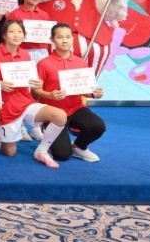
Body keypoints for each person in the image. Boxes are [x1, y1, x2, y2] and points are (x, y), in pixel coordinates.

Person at [0, 19, 68, 169]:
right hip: (4, 106)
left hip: (25, 102)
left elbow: (28, 81)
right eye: (11, 32)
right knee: (10, 152)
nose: (16, 35)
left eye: (20, 32)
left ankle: (41, 151)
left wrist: (36, 83)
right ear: (4, 35)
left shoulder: (25, 55)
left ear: (24, 35)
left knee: (60, 116)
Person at [34, 23, 106, 162]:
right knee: (62, 155)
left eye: (68, 37)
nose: (65, 40)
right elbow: (36, 91)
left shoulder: (81, 62)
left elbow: (85, 90)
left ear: (72, 39)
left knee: (98, 126)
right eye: (60, 37)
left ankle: (79, 147)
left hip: (75, 108)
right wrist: (50, 95)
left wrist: (94, 93)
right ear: (52, 39)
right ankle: (48, 133)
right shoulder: (44, 63)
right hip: (54, 113)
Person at [8, 0, 53, 65]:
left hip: (42, 52)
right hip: (22, 50)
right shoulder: (15, 14)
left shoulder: (44, 15)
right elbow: (8, 36)